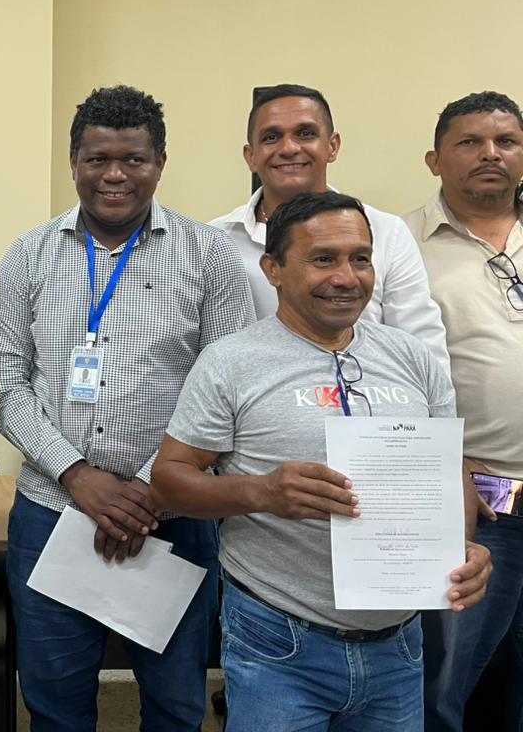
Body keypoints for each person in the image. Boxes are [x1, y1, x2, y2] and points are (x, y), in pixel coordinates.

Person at [153, 191, 493, 732]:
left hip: (397, 646)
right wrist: (260, 492)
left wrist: (459, 551)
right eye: (323, 259)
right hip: (280, 639)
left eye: (360, 259)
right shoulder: (230, 362)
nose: (346, 277)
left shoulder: (412, 357)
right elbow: (168, 481)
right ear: (273, 270)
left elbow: (447, 472)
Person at [0, 85, 255, 731]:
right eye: (97, 158)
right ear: (73, 162)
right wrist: (78, 475)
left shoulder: (209, 255)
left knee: (176, 705)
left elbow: (226, 392)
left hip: (175, 515)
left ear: (159, 163)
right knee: (55, 706)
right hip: (54, 509)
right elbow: (6, 384)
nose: (114, 175)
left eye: (133, 159)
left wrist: (146, 491)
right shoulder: (28, 255)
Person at [404, 91, 523, 731]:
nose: (490, 154)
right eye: (470, 142)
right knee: (444, 685)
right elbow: (387, 373)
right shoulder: (400, 245)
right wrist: (444, 463)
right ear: (434, 160)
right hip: (477, 499)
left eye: (506, 142)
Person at [210, 84, 449, 366]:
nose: (289, 148)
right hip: (251, 392)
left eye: (305, 134)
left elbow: (423, 352)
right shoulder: (215, 241)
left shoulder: (386, 232)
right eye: (271, 137)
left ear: (332, 146)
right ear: (251, 156)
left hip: (369, 391)